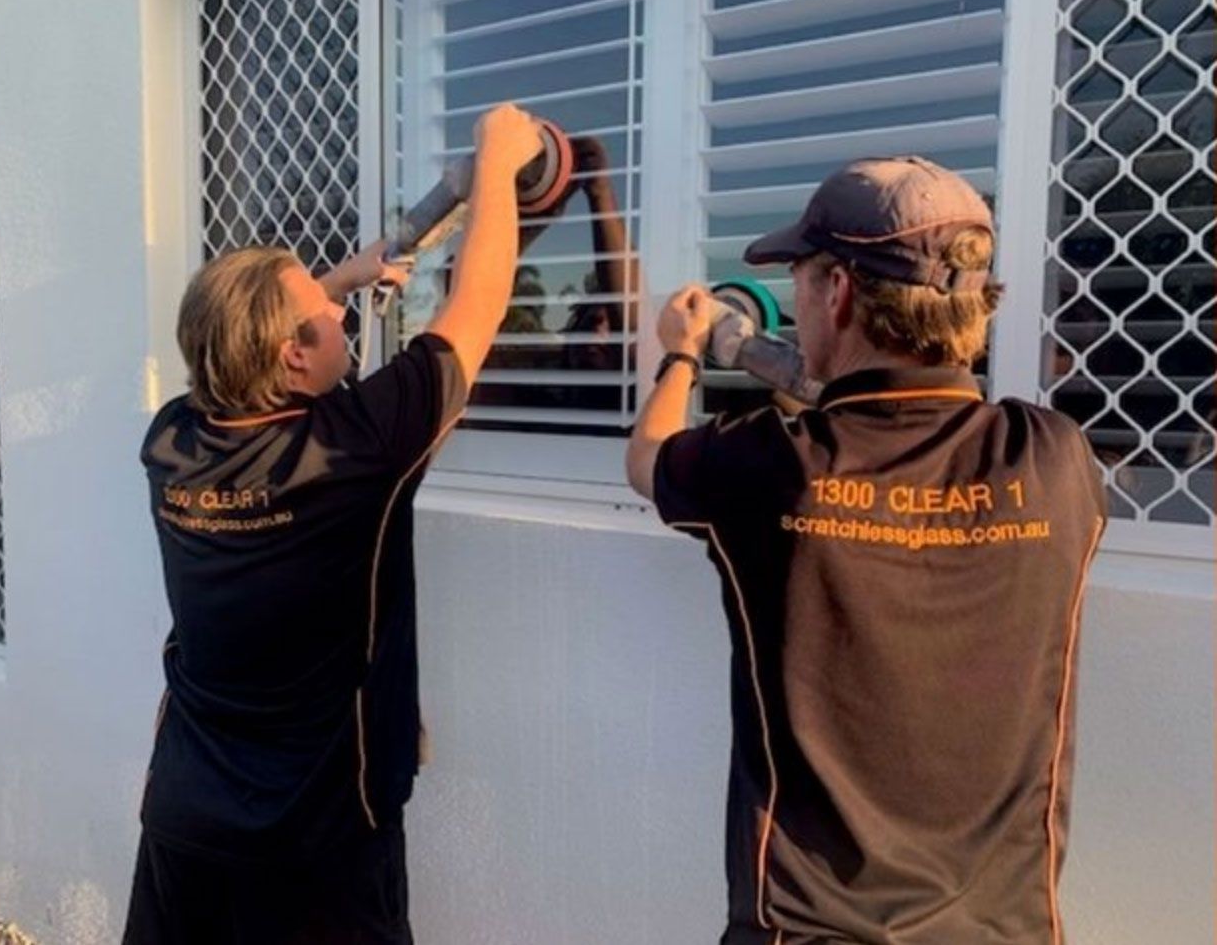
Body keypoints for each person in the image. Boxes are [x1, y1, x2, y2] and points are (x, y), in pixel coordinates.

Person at [625, 156, 1107, 945]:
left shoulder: (773, 465)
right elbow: (906, 425)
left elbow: (648, 458)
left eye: (800, 278)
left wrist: (681, 352)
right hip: (1007, 930)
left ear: (839, 292)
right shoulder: (1055, 460)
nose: (796, 299)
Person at [122, 103, 543, 945]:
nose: (341, 314)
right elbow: (478, 308)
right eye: (326, 312)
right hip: (320, 835)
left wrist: (343, 279)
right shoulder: (355, 449)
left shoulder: (172, 440)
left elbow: (242, 333)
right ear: (292, 354)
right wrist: (499, 161)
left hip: (186, 813)